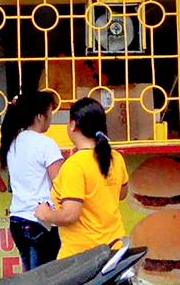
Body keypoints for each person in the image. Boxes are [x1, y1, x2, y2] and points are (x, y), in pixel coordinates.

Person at [34, 98, 128, 259]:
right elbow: (122, 194)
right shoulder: (115, 157)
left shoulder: (75, 165)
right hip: (115, 248)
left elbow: (70, 215)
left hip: (83, 257)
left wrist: (45, 214)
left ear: (73, 125)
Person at [0, 92, 64, 271]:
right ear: (40, 117)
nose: (51, 118)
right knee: (45, 280)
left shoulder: (12, 143)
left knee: (31, 278)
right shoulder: (46, 144)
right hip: (41, 221)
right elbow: (60, 185)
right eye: (50, 113)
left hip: (17, 220)